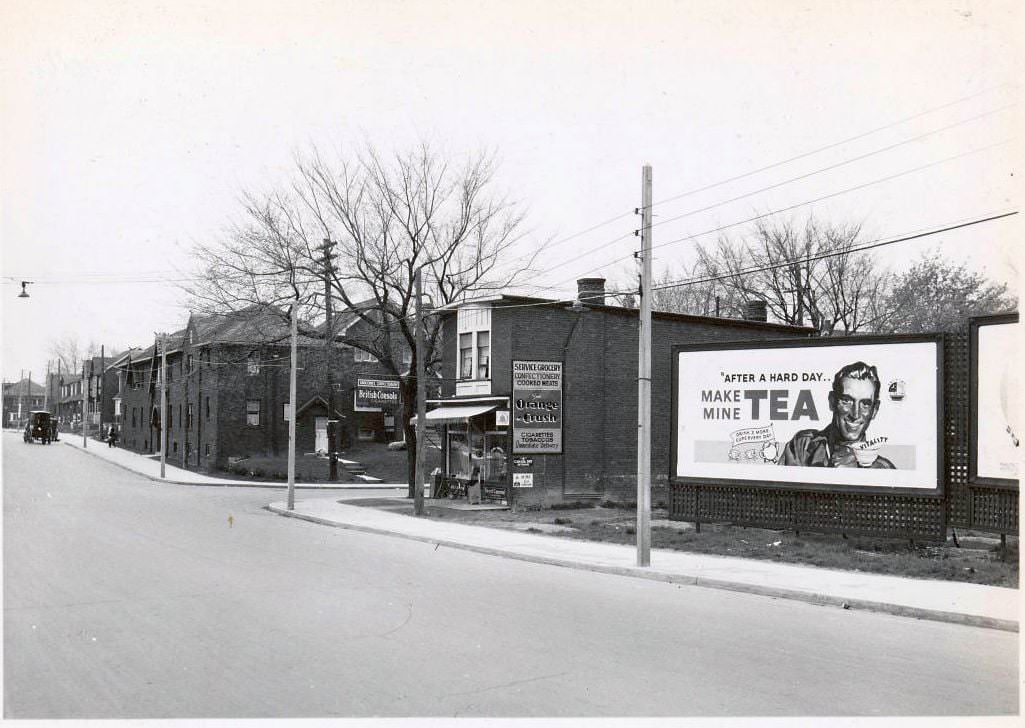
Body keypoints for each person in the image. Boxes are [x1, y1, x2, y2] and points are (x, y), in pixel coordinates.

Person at [777, 361, 895, 469]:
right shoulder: (802, 445)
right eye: (847, 401)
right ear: (832, 402)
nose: (855, 414)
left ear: (874, 410)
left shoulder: (884, 469)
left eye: (865, 404)